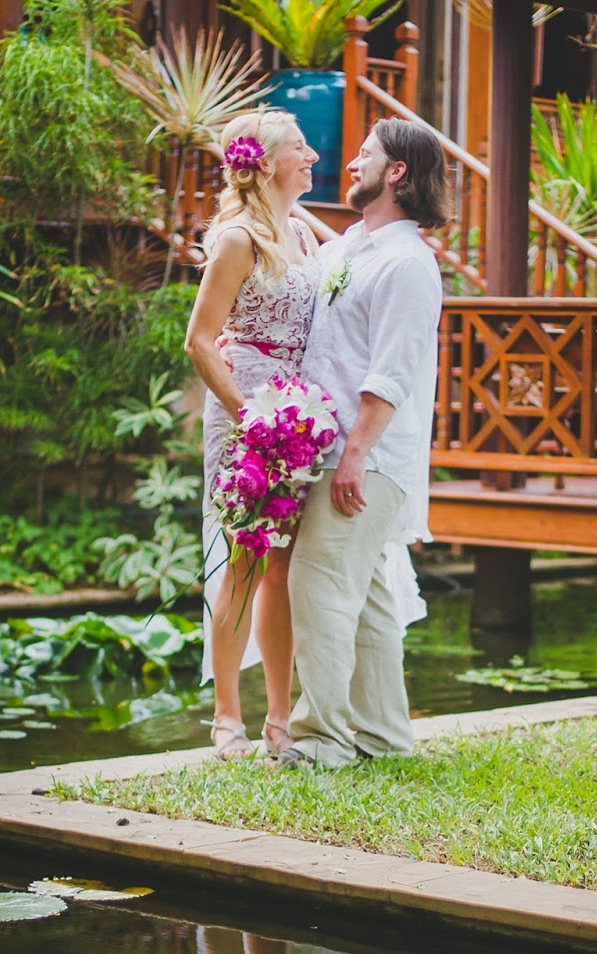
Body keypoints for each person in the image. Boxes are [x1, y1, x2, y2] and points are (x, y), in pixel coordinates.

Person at [273, 118, 448, 769]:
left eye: (365, 154)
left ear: (397, 172)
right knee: (370, 599)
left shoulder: (408, 264)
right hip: (329, 449)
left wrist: (353, 456)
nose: (351, 163)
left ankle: (320, 740)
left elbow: (392, 371)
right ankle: (382, 736)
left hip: (365, 458)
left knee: (318, 586)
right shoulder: (347, 248)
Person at [184, 110, 320, 759]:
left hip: (296, 419)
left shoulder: (301, 232)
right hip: (246, 417)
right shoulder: (236, 239)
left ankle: (279, 722)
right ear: (265, 162)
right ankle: (226, 721)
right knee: (243, 561)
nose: (313, 156)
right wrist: (250, 418)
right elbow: (200, 342)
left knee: (284, 569)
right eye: (300, 148)